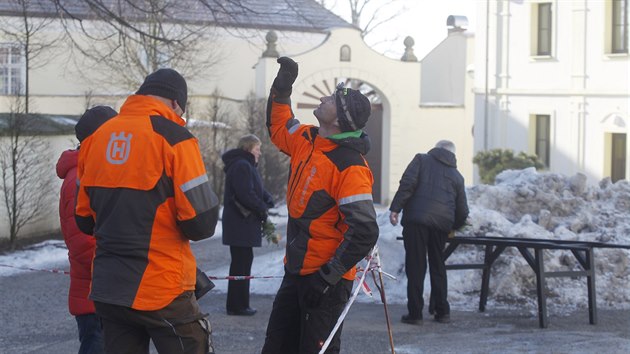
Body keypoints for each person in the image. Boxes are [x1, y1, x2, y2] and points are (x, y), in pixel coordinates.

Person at [75, 68, 220, 354]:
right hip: (160, 288)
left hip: (109, 289)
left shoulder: (97, 138)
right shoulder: (177, 139)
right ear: (177, 103)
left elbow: (83, 220)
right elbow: (201, 225)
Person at [261, 57, 379, 354]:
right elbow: (278, 127)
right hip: (296, 272)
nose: (324, 97)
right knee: (276, 347)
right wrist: (282, 88)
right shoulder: (307, 139)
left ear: (339, 120)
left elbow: (365, 230)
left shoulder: (350, 167)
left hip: (326, 283)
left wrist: (328, 276)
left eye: (332, 99)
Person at [56, 105, 117, 354]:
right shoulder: (76, 180)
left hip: (103, 293)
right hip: (94, 297)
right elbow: (83, 245)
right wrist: (119, 269)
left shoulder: (94, 170)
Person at [389, 140, 469, 325]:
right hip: (441, 226)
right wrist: (453, 226)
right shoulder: (457, 176)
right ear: (453, 154)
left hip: (416, 221)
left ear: (436, 148)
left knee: (416, 265)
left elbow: (407, 183)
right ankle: (442, 311)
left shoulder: (421, 160)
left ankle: (415, 314)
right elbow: (463, 210)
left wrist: (396, 208)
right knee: (437, 265)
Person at [221, 133, 275, 316]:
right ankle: (237, 305)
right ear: (248, 149)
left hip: (241, 223)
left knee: (242, 262)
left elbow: (255, 189)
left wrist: (267, 198)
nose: (259, 153)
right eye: (257, 149)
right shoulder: (242, 166)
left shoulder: (244, 165)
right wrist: (262, 207)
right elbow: (245, 194)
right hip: (240, 222)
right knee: (241, 264)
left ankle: (239, 304)